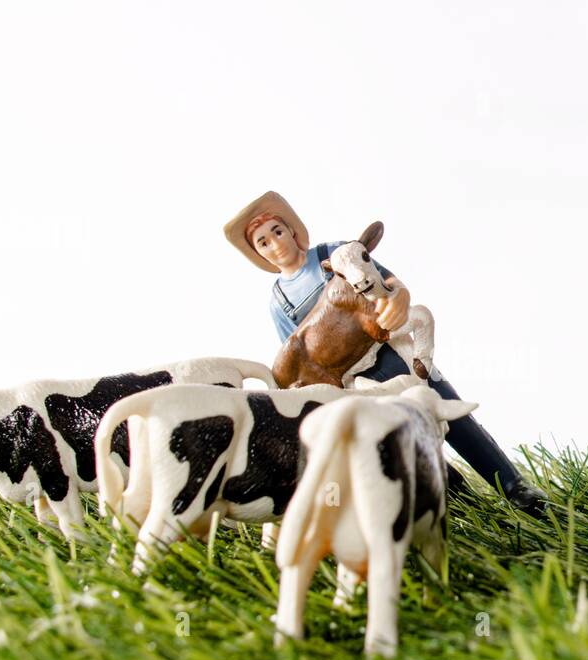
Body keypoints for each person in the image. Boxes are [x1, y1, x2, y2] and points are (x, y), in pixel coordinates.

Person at [224, 191, 547, 516]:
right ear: (259, 254)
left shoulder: (334, 253)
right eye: (263, 242)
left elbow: (386, 278)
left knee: (455, 417)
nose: (275, 244)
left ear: (292, 231)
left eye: (277, 232)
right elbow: (298, 356)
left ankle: (515, 488)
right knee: (409, 437)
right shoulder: (280, 301)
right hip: (355, 380)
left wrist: (400, 298)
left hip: (393, 349)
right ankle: (468, 509)